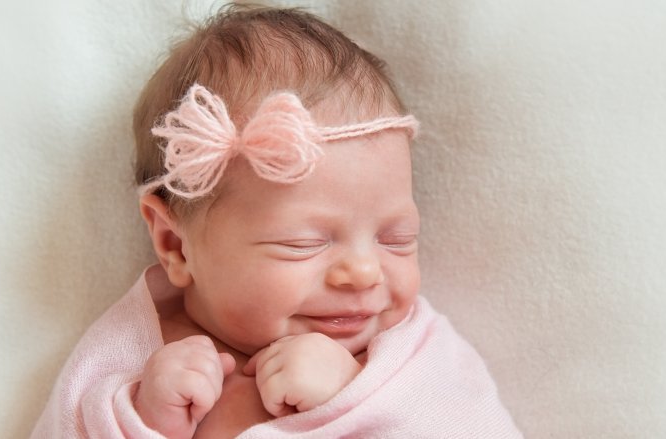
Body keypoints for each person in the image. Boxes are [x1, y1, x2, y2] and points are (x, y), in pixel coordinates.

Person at [31, 4, 522, 438]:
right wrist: (140, 419)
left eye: (397, 239)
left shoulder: (409, 354)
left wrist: (353, 395)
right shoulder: (132, 359)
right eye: (303, 243)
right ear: (176, 245)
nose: (364, 272)